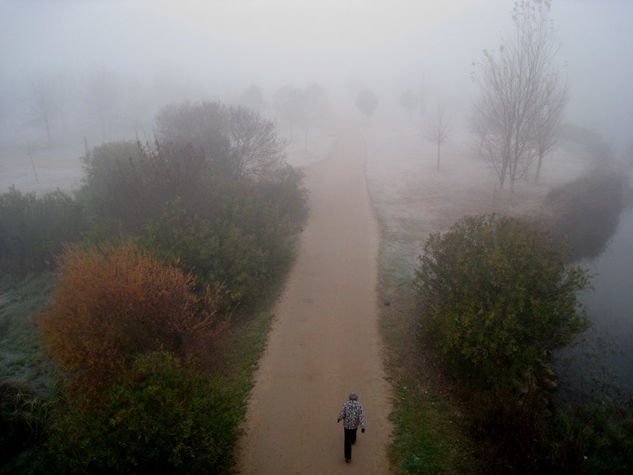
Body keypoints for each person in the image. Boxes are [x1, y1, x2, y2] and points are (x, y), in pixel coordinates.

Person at [337, 392, 366, 463]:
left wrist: (339, 419)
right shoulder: (359, 405)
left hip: (347, 426)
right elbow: (361, 417)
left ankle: (348, 457)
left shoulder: (346, 404)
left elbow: (342, 413)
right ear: (357, 399)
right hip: (354, 425)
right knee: (354, 433)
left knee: (347, 442)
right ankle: (353, 440)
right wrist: (362, 427)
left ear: (349, 398)